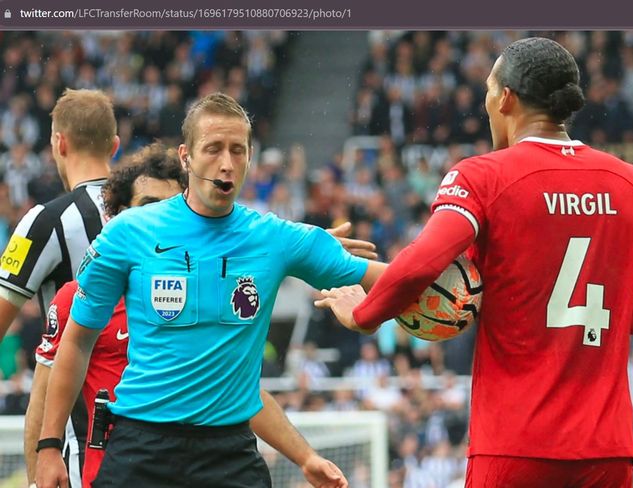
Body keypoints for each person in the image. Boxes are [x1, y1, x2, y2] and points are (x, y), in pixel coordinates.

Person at [315, 37, 633, 487]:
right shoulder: (630, 183)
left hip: (516, 443)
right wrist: (582, 316)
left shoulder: (484, 175)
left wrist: (363, 315)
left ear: (505, 98)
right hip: (606, 450)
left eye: (490, 90)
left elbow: (422, 265)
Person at [36, 92, 385, 488]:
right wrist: (48, 446)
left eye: (238, 151)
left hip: (229, 454)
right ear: (186, 156)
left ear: (251, 158)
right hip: (141, 449)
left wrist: (370, 312)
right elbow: (77, 343)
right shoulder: (127, 233)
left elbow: (389, 277)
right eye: (214, 149)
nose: (226, 164)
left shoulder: (275, 239)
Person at [2, 89, 119, 488]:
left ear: (59, 142)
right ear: (115, 146)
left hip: (81, 439)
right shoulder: (152, 215)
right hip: (156, 428)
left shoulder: (45, 221)